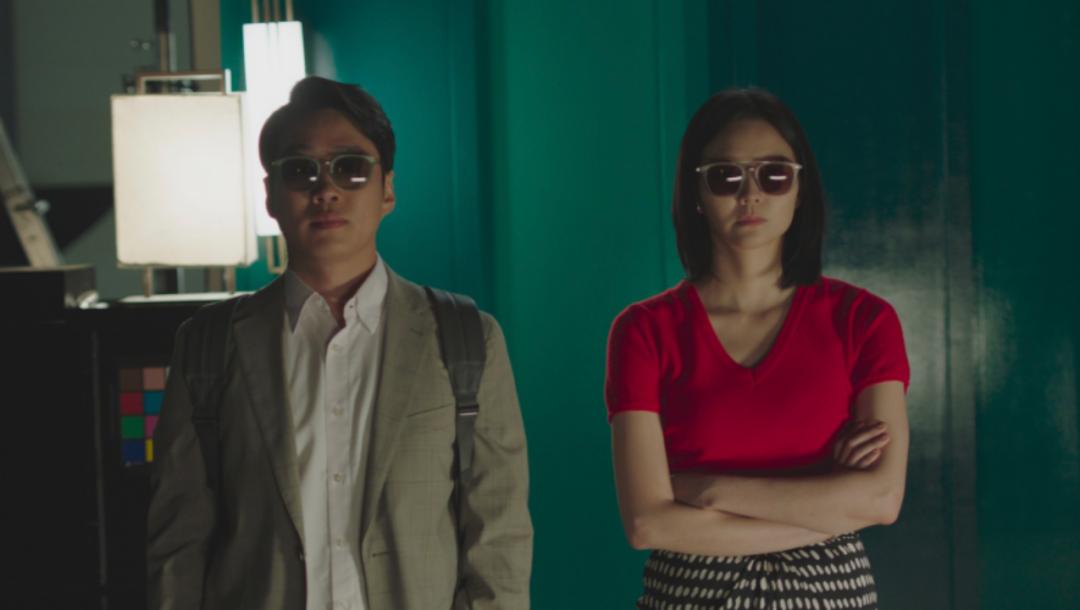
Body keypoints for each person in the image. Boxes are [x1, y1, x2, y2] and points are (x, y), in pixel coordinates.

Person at [147, 76, 533, 610]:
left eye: (351, 167)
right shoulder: (207, 345)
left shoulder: (466, 338)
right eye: (301, 170)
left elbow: (498, 537)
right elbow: (178, 544)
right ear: (270, 195)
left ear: (387, 189)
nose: (325, 189)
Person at [605, 88, 910, 609]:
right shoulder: (643, 331)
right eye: (726, 176)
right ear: (697, 193)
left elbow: (881, 499)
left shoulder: (864, 320)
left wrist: (707, 491)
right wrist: (829, 511)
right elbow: (647, 523)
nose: (751, 194)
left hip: (829, 595)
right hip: (691, 596)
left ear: (800, 189)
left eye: (774, 175)